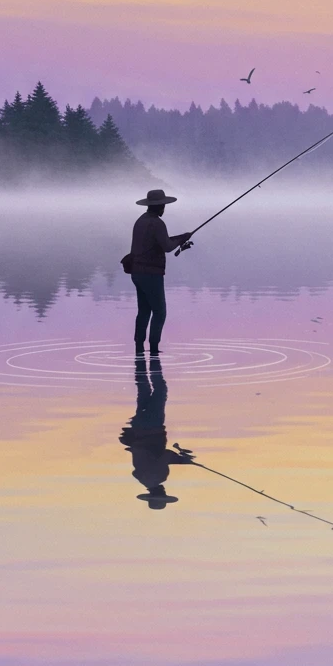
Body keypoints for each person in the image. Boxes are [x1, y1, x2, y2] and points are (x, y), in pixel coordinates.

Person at [119, 353, 194, 510]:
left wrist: (182, 460)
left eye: (164, 494)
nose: (165, 491)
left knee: (161, 390)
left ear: (160, 493)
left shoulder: (159, 477)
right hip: (138, 429)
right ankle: (140, 356)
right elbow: (155, 460)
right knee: (143, 389)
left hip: (152, 428)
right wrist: (181, 460)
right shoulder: (143, 479)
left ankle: (154, 360)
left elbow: (165, 456)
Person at [129, 188, 191, 354]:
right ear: (160, 206)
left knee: (144, 310)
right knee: (160, 311)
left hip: (136, 272)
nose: (164, 208)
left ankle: (139, 347)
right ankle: (154, 349)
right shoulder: (157, 223)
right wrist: (181, 239)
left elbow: (160, 242)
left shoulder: (141, 220)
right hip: (151, 274)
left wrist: (181, 237)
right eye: (163, 205)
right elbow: (167, 247)